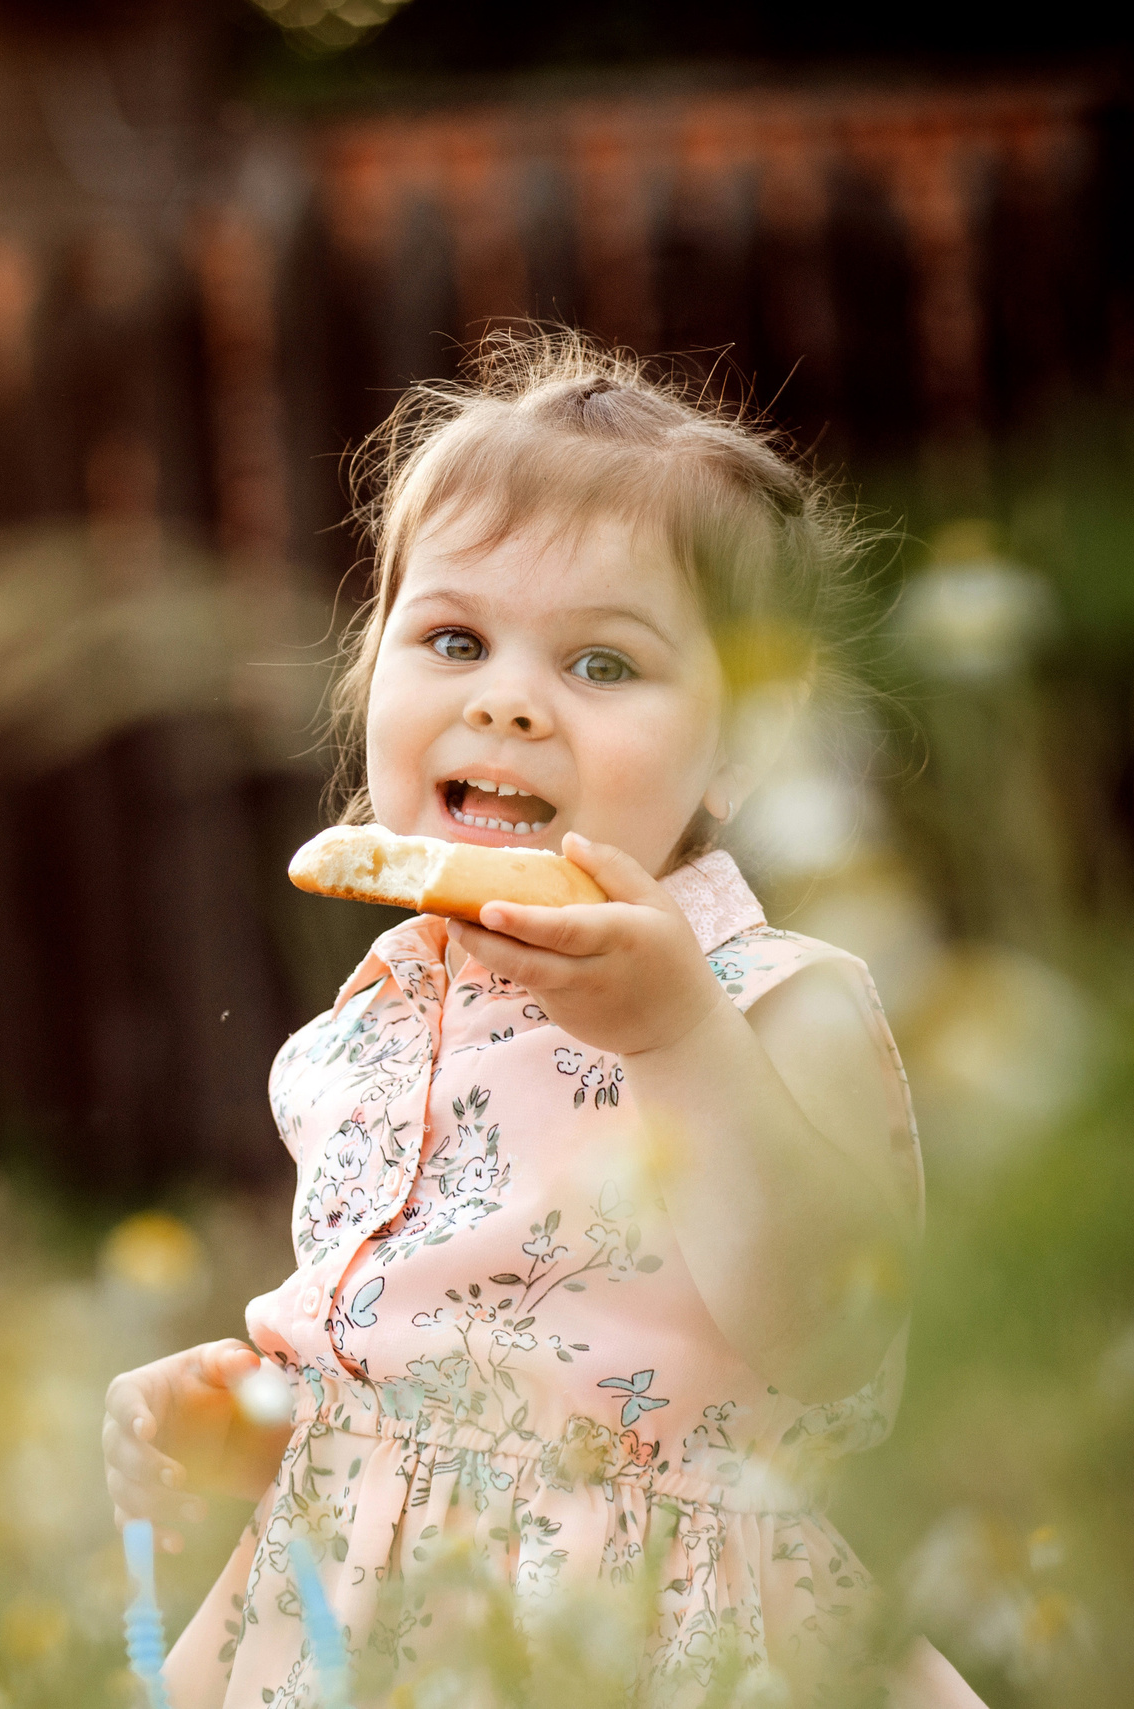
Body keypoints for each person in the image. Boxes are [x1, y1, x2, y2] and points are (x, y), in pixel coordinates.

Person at [100, 332, 983, 1707]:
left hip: (647, 1634)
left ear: (747, 737)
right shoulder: (374, 1019)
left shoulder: (767, 1000)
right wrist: (248, 1413)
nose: (506, 697)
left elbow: (829, 1330)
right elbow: (401, 1366)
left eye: (604, 664)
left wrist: (680, 1036)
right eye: (454, 638)